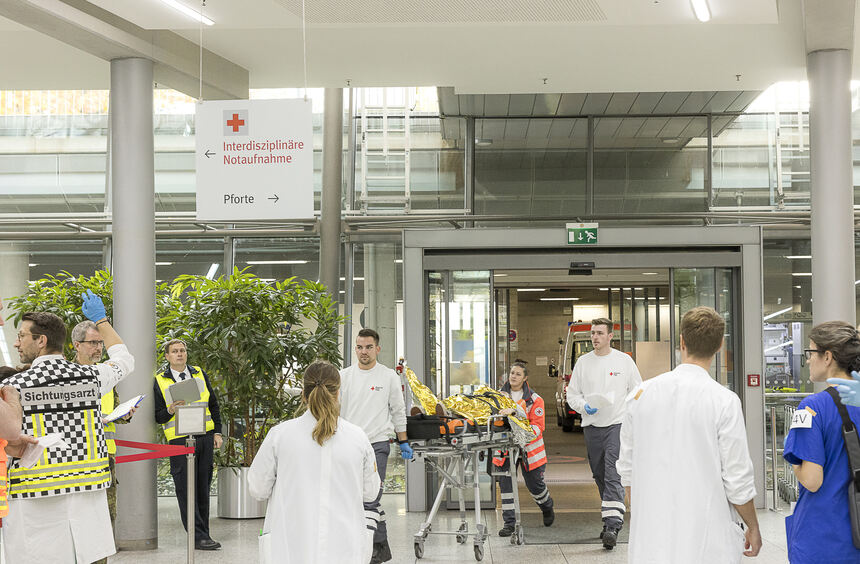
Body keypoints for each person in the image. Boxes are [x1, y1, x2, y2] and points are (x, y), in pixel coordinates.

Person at [617, 306, 760, 563]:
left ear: (681, 341)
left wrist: (645, 513)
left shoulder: (640, 395)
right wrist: (753, 525)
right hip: (706, 540)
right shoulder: (724, 401)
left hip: (651, 541)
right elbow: (737, 478)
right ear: (720, 345)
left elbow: (627, 469)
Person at [1, 291, 134, 563]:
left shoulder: (12, 386)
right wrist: (102, 320)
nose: (16, 343)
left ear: (41, 341)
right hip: (88, 492)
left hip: (33, 495)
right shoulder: (92, 377)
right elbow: (125, 360)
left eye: (22, 336)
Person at [248, 360, 381, 563]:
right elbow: (370, 492)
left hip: (290, 550)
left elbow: (258, 489)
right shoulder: (358, 437)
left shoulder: (280, 435)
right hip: (345, 550)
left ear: (303, 395)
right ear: (338, 394)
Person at [783, 321, 860, 563]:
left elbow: (812, 480)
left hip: (825, 537)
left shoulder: (812, 407)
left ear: (827, 357)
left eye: (810, 352)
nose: (808, 360)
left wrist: (794, 458)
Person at [565, 317, 642, 549]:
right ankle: (611, 515)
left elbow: (638, 391)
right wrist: (583, 406)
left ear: (610, 336)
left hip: (617, 425)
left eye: (599, 333)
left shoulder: (624, 361)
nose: (595, 337)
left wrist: (631, 413)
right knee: (599, 474)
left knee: (612, 473)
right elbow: (572, 394)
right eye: (593, 333)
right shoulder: (583, 362)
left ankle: (612, 526)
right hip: (592, 426)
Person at [339, 328, 411, 564]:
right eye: (360, 347)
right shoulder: (343, 376)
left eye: (369, 347)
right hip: (348, 445)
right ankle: (379, 546)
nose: (364, 352)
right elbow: (335, 412)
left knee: (371, 496)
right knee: (354, 497)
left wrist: (403, 441)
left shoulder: (388, 376)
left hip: (377, 444)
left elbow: (398, 411)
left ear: (377, 349)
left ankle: (371, 550)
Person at [72, 319, 136, 563]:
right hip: (78, 461)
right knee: (79, 522)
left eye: (100, 342)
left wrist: (124, 415)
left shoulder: (107, 375)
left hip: (106, 459)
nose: (98, 348)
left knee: (106, 520)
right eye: (92, 343)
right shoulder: (67, 375)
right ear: (77, 345)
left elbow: (112, 409)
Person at [153, 338, 223, 551]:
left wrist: (217, 432)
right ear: (167, 356)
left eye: (182, 350)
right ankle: (197, 536)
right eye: (175, 351)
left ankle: (203, 534)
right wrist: (171, 409)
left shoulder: (199, 373)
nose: (179, 354)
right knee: (185, 488)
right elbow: (158, 416)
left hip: (204, 436)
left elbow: (213, 404)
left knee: (203, 487)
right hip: (179, 440)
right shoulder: (159, 380)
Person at [494, 360, 554, 536]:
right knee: (506, 485)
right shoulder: (498, 397)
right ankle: (509, 523)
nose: (514, 376)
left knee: (535, 484)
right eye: (512, 373)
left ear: (525, 378)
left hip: (529, 449)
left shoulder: (535, 400)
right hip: (505, 448)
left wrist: (522, 436)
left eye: (518, 374)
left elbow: (538, 426)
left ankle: (547, 506)